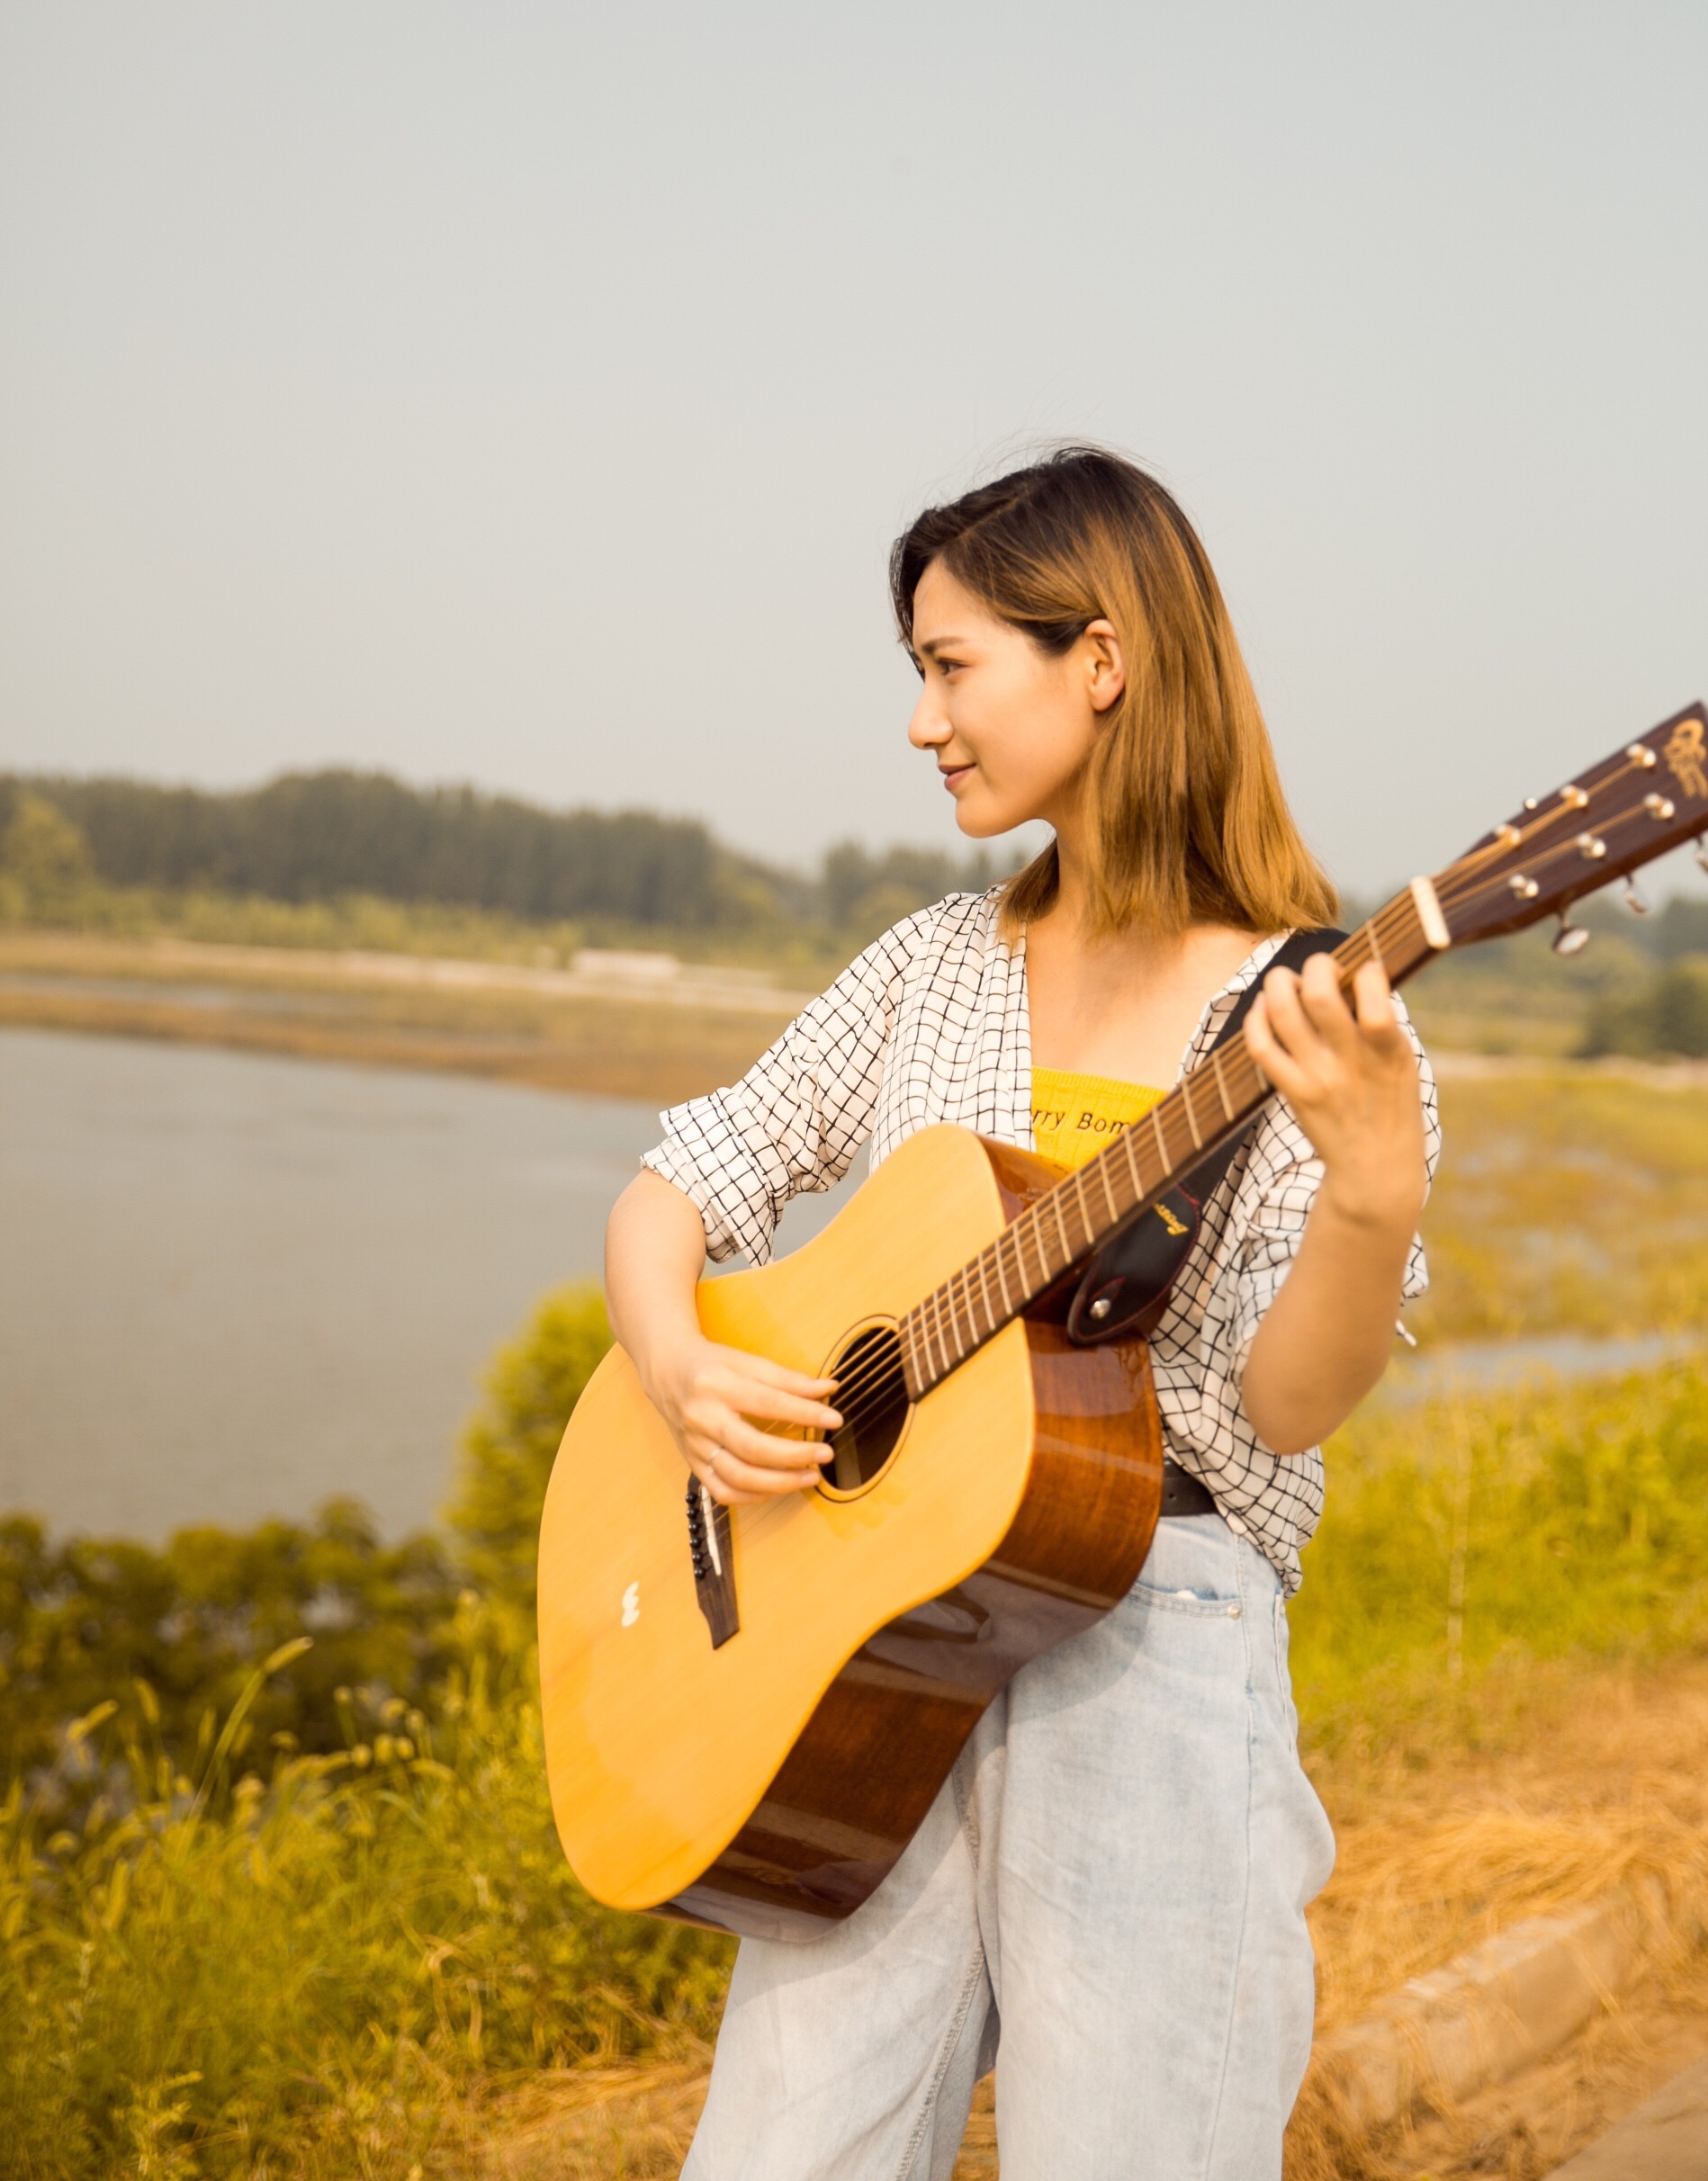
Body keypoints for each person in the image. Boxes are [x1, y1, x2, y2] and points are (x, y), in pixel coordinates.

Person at [604, 447, 1440, 2181]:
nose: (923, 721)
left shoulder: (1317, 1019)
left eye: (949, 664)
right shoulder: (932, 964)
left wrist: (1371, 1190)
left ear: (1103, 663)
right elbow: (679, 1187)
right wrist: (681, 1368)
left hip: (1158, 1628)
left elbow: (1283, 1409)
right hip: (867, 1655)